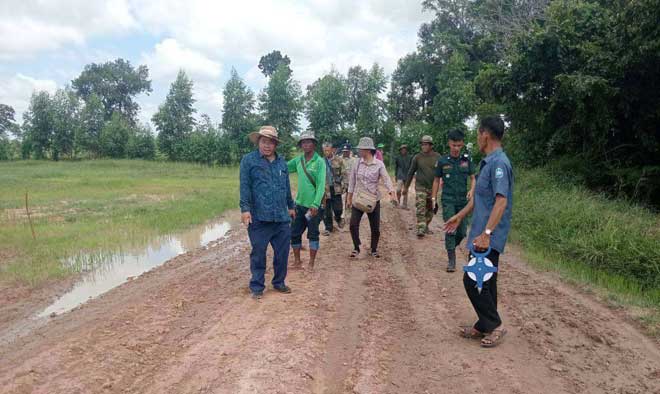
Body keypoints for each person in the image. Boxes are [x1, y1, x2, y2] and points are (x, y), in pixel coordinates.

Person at [444, 116, 513, 348]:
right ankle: (484, 324)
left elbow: (501, 201)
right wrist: (460, 215)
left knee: (472, 279)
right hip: (481, 233)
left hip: (487, 236)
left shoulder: (499, 164)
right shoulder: (488, 162)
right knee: (486, 280)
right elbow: (479, 199)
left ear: (485, 134)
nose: (476, 138)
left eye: (477, 134)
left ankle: (494, 325)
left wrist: (487, 233)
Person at [239, 126, 295, 299]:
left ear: (275, 144)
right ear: (258, 142)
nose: (267, 145)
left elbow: (285, 187)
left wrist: (291, 207)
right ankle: (257, 286)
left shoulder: (282, 163)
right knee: (258, 253)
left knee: (282, 253)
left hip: (281, 217)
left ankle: (279, 282)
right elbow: (245, 186)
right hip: (259, 218)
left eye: (271, 142)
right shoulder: (248, 160)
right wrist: (245, 209)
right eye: (264, 141)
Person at [431, 129, 476, 272]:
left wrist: (472, 190)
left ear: (462, 145)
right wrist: (433, 198)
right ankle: (451, 259)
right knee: (450, 229)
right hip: (448, 200)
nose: (456, 148)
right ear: (449, 144)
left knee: (462, 232)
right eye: (454, 145)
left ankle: (451, 246)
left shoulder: (466, 160)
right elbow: (436, 180)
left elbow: (473, 177)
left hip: (463, 201)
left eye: (459, 146)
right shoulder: (442, 161)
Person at [346, 137, 396, 258]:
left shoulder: (379, 164)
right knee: (353, 224)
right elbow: (352, 181)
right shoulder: (356, 163)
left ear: (368, 150)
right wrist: (349, 198)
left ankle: (374, 249)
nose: (359, 151)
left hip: (373, 200)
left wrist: (392, 193)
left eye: (361, 149)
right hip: (359, 199)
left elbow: (386, 179)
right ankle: (356, 247)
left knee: (375, 228)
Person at [288, 132, 326, 269]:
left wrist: (316, 204)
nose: (306, 145)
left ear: (314, 144)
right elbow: (284, 168)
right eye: (303, 142)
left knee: (313, 234)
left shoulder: (320, 162)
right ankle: (297, 261)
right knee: (294, 233)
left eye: (309, 142)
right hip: (299, 205)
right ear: (301, 145)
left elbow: (321, 185)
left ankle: (311, 262)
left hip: (313, 207)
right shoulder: (298, 160)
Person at [405, 135, 441, 237]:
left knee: (431, 209)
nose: (423, 146)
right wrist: (406, 187)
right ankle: (421, 229)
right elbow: (411, 172)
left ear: (431, 146)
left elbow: (442, 171)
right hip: (420, 186)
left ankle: (425, 226)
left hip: (433, 188)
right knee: (421, 207)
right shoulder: (417, 157)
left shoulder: (437, 157)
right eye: (422, 144)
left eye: (426, 144)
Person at [322, 142, 345, 235]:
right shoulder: (321, 161)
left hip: (336, 188)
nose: (326, 152)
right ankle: (328, 228)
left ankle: (338, 218)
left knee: (338, 208)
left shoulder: (339, 160)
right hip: (325, 189)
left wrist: (344, 185)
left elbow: (343, 173)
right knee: (326, 209)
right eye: (324, 150)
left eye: (328, 150)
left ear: (332, 150)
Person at [394, 144, 413, 209]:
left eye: (405, 149)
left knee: (405, 190)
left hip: (407, 176)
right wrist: (396, 175)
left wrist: (411, 176)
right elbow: (396, 167)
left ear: (406, 150)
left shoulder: (410, 157)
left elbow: (411, 167)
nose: (403, 150)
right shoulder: (397, 158)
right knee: (398, 190)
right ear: (400, 150)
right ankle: (398, 202)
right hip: (400, 175)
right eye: (402, 149)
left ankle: (404, 205)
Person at [341, 143, 356, 209]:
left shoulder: (354, 160)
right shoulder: (339, 159)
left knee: (351, 195)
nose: (345, 153)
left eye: (346, 151)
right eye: (344, 151)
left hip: (351, 182)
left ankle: (350, 206)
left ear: (350, 151)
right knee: (343, 197)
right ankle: (343, 213)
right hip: (342, 182)